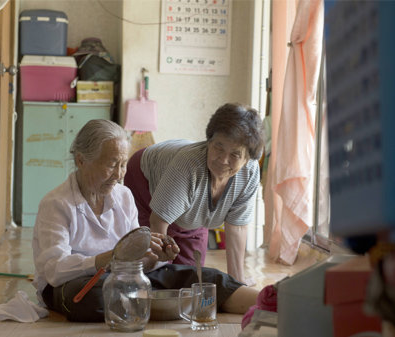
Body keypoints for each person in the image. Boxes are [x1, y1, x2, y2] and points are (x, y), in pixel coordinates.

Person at [32, 119, 259, 322]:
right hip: (75, 285)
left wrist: (155, 257)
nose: (119, 174)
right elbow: (54, 270)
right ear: (81, 160)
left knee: (204, 277)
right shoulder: (56, 204)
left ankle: (271, 302)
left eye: (123, 165)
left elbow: (138, 262)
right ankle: (168, 305)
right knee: (94, 297)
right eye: (112, 164)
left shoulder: (123, 196)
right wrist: (108, 259)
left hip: (124, 279)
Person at [124, 103, 265, 285]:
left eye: (235, 155)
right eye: (218, 148)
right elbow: (158, 220)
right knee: (157, 273)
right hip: (145, 180)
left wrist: (236, 281)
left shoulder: (250, 173)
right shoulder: (188, 165)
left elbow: (236, 227)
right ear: (209, 142)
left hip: (185, 201)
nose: (223, 160)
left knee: (191, 277)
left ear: (247, 159)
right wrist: (161, 269)